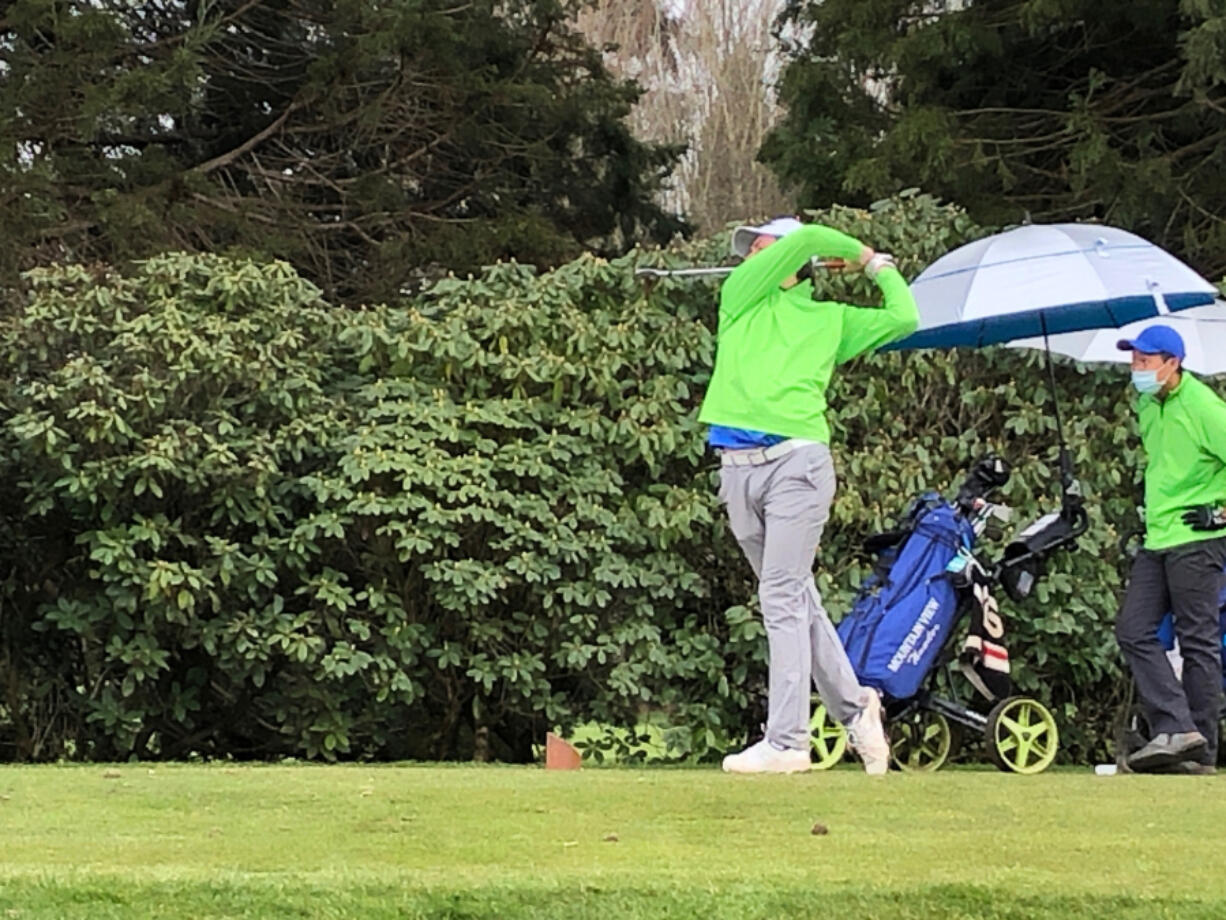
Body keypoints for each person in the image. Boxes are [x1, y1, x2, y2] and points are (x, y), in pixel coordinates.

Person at [699, 216, 918, 775]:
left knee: (779, 597)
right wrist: (861, 258)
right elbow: (810, 243)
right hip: (737, 470)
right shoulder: (741, 295)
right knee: (797, 599)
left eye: (765, 244)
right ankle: (857, 707)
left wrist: (875, 265)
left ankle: (788, 741)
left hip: (797, 464)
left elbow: (904, 316)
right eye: (753, 248)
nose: (754, 252)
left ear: (794, 261)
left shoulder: (830, 318)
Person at [1114, 324, 1226, 775]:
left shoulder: (1204, 407)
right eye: (1134, 360)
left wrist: (1221, 515)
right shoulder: (1148, 403)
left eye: (1145, 361)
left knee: (1197, 640)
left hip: (1198, 539)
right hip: (1158, 536)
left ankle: (1201, 749)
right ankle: (1178, 729)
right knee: (1133, 629)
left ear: (1172, 364)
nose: (1136, 368)